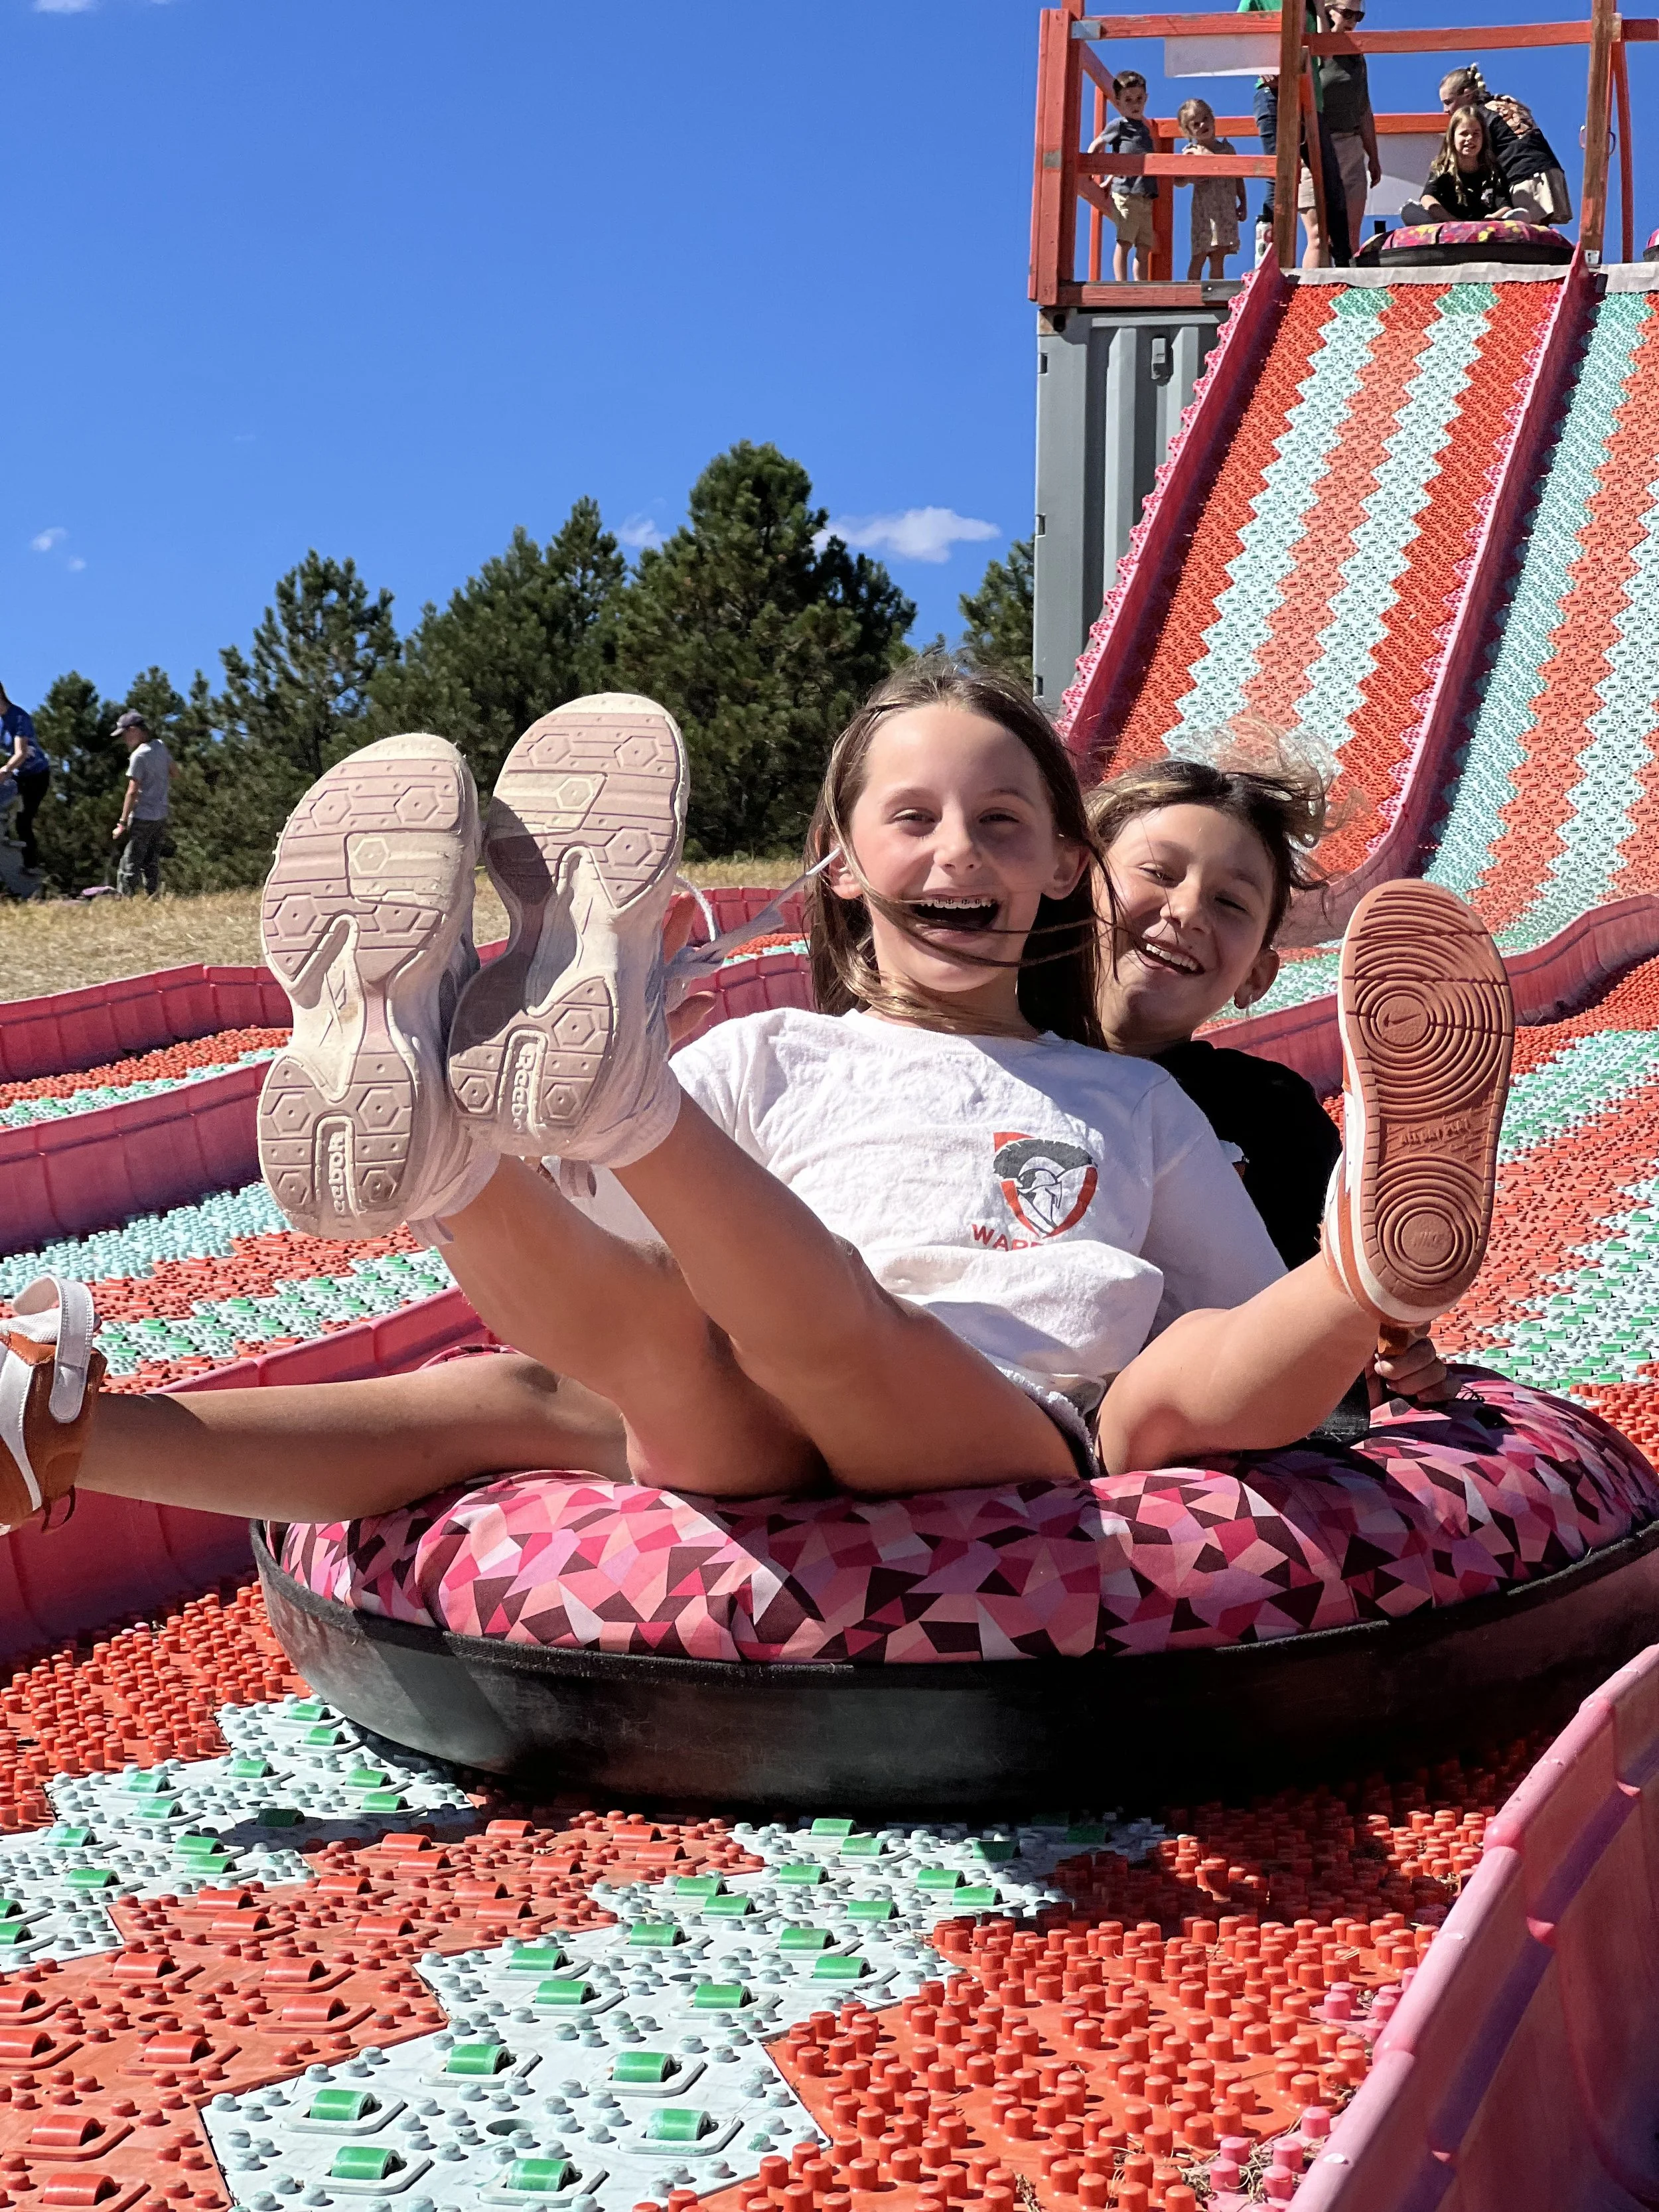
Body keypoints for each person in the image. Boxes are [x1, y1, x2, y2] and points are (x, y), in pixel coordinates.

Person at [0, 669, 1515, 1538]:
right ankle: (405, 1132)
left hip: (994, 1411)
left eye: (1001, 822)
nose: (956, 853)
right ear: (841, 865)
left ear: (1062, 869)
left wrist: (1345, 1334)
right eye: (910, 819)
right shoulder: (771, 1060)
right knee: (545, 1384)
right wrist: (545, 1166)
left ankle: (1370, 1258)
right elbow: (590, 1306)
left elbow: (1226, 1346)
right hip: (740, 1414)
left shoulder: (1131, 1104)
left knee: (1158, 1389)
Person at [1086, 749, 1449, 1429]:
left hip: (1213, 1409)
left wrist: (1382, 1352)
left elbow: (1293, 1298)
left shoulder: (1269, 1111)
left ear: (1258, 976)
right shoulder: (995, 1066)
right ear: (1072, 888)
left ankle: (1392, 1233)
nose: (1188, 910)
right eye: (1158, 873)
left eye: (1229, 903)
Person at [1237, 0, 1352, 267]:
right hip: (1273, 94)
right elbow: (1238, 32)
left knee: (1330, 179)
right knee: (1278, 173)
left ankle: (1345, 261)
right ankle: (1266, 256)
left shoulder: (1313, 7)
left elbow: (1326, 55)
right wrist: (1260, 64)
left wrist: (1321, 8)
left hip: (1312, 101)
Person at [1438, 64, 1571, 228]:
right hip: (1548, 171)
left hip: (1525, 176)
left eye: (1448, 102)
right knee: (1536, 230)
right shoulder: (1502, 103)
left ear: (1467, 94)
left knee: (1524, 233)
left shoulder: (1478, 118)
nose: (1445, 110)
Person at [1315, 2, 1382, 261]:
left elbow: (1364, 109)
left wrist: (1373, 156)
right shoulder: (1314, 48)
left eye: (1359, 15)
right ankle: (1316, 296)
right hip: (1319, 144)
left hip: (1352, 145)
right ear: (1328, 10)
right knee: (1321, 236)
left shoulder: (1356, 55)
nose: (1353, 20)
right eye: (1347, 13)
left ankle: (1346, 292)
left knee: (1351, 236)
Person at [1406, 106, 1526, 227]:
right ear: (1452, 138)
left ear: (1484, 138)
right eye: (1464, 134)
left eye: (1476, 134)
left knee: (1521, 215)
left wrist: (1492, 218)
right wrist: (1452, 221)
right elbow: (1427, 198)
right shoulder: (1443, 168)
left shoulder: (1493, 170)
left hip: (1485, 227)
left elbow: (1505, 206)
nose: (1470, 139)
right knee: (1409, 211)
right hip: (1449, 226)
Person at [1091, 72, 1158, 282]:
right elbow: (1098, 145)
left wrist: (1109, 177)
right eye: (1128, 100)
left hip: (1145, 194)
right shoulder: (1119, 125)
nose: (1135, 104)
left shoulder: (1145, 129)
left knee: (1144, 245)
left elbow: (1127, 157)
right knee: (1125, 241)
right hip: (1126, 192)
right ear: (1118, 102)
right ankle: (1121, 283)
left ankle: (1141, 284)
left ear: (1146, 98)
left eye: (1139, 99)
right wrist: (1094, 172)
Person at [1177, 98, 1250, 279]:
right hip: (1205, 212)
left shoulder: (1227, 149)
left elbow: (1238, 177)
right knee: (1200, 253)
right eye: (1196, 124)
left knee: (1219, 255)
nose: (1203, 125)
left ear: (1213, 119)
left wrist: (1243, 202)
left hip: (1225, 210)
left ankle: (1215, 293)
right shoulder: (1192, 152)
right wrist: (1190, 178)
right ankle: (1190, 293)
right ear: (1189, 131)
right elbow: (1177, 180)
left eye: (1205, 119)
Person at [111, 709, 171, 897]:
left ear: (135, 730)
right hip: (161, 814)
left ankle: (124, 899)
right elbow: (175, 772)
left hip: (142, 816)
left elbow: (132, 791)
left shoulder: (139, 756)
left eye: (124, 734)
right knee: (151, 859)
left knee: (130, 861)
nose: (124, 740)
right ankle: (153, 895)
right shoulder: (160, 747)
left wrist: (121, 823)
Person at [0, 682, 50, 874]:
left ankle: (30, 866)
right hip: (19, 775)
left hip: (37, 775)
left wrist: (5, 770)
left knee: (24, 820)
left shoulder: (19, 717)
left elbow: (20, 754)